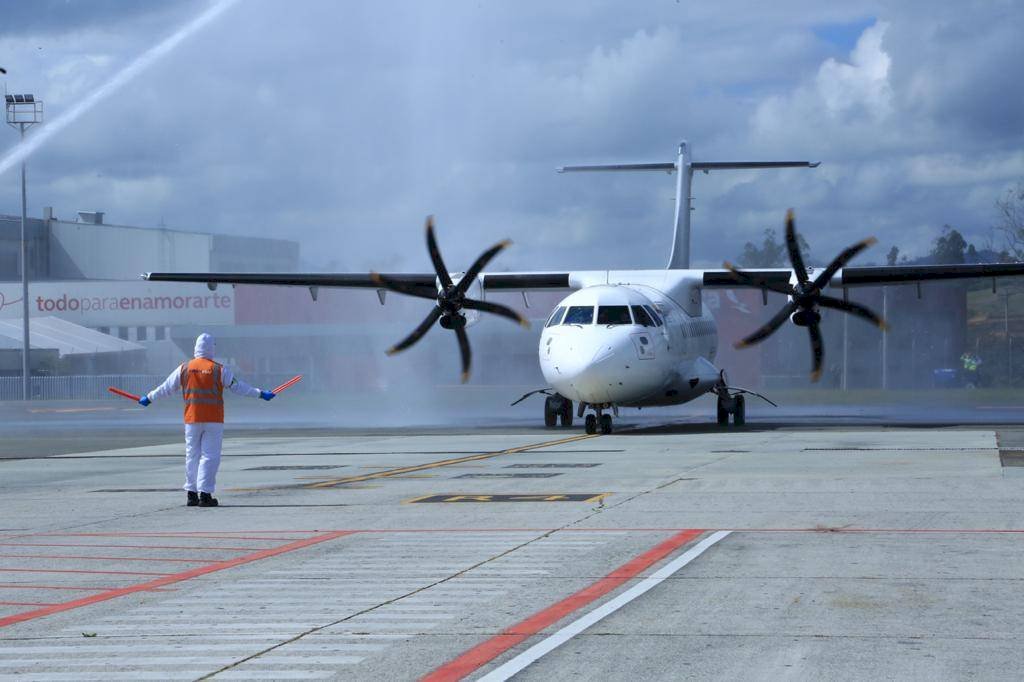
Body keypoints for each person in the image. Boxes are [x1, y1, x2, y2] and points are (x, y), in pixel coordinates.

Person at [139, 333, 275, 507]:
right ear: (212, 348)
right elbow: (239, 387)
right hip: (213, 419)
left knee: (192, 455)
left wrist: (149, 398)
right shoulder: (219, 369)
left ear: (196, 348)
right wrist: (260, 394)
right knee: (209, 456)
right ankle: (205, 494)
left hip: (192, 419)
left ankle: (191, 494)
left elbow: (166, 387)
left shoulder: (184, 368)